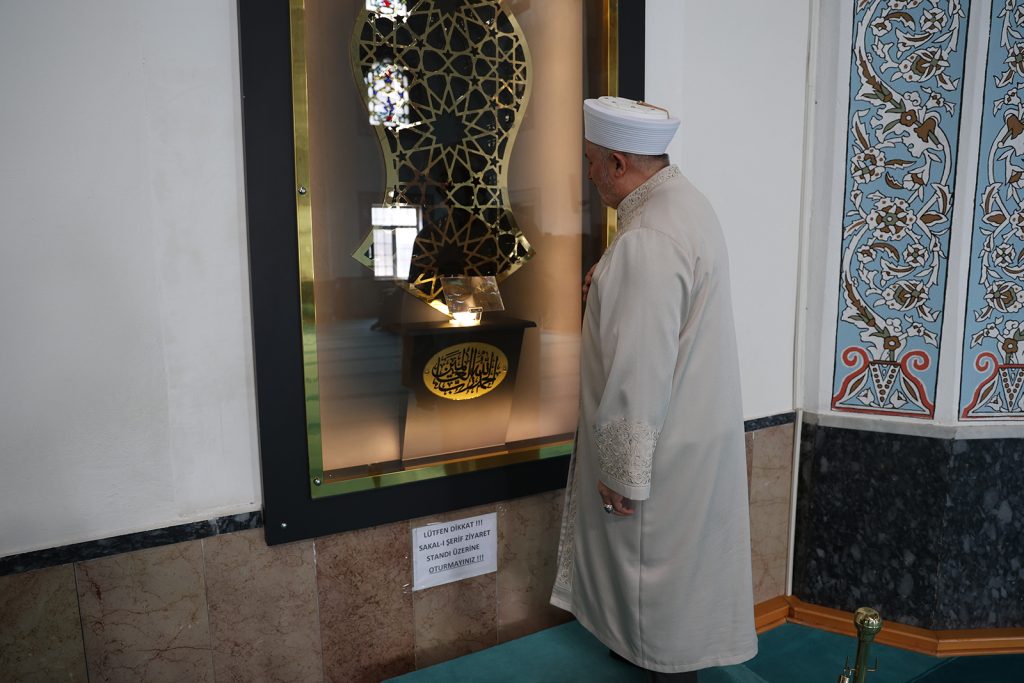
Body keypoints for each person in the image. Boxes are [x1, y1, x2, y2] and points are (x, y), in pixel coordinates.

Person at [550, 96, 757, 682]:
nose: (588, 174)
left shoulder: (648, 237)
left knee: (657, 597)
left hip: (660, 455)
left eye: (591, 161)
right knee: (669, 590)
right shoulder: (683, 204)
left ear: (618, 163)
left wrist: (623, 473)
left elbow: (640, 366)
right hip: (692, 437)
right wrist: (609, 279)